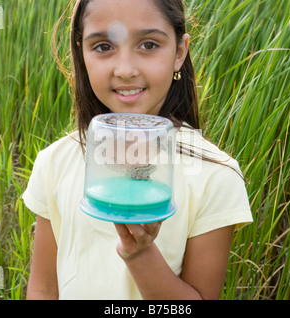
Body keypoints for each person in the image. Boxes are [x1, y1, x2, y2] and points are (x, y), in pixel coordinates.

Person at [22, 0, 253, 300]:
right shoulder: (54, 162)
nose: (126, 70)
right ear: (81, 53)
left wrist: (140, 254)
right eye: (104, 47)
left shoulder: (215, 177)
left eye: (148, 44)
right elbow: (43, 288)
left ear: (179, 52)